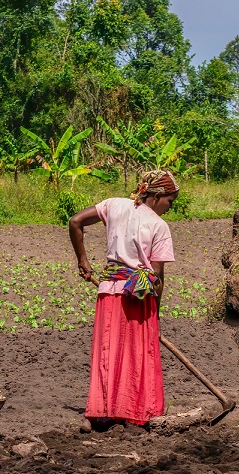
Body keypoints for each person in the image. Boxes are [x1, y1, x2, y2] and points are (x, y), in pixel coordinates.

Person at [68, 169, 179, 432]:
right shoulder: (159, 226)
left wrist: (83, 261)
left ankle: (99, 412)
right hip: (138, 297)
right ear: (156, 196)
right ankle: (137, 411)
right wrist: (156, 314)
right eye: (170, 202)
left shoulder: (114, 205)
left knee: (107, 352)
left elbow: (75, 222)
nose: (170, 208)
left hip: (108, 292)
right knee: (138, 355)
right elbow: (158, 276)